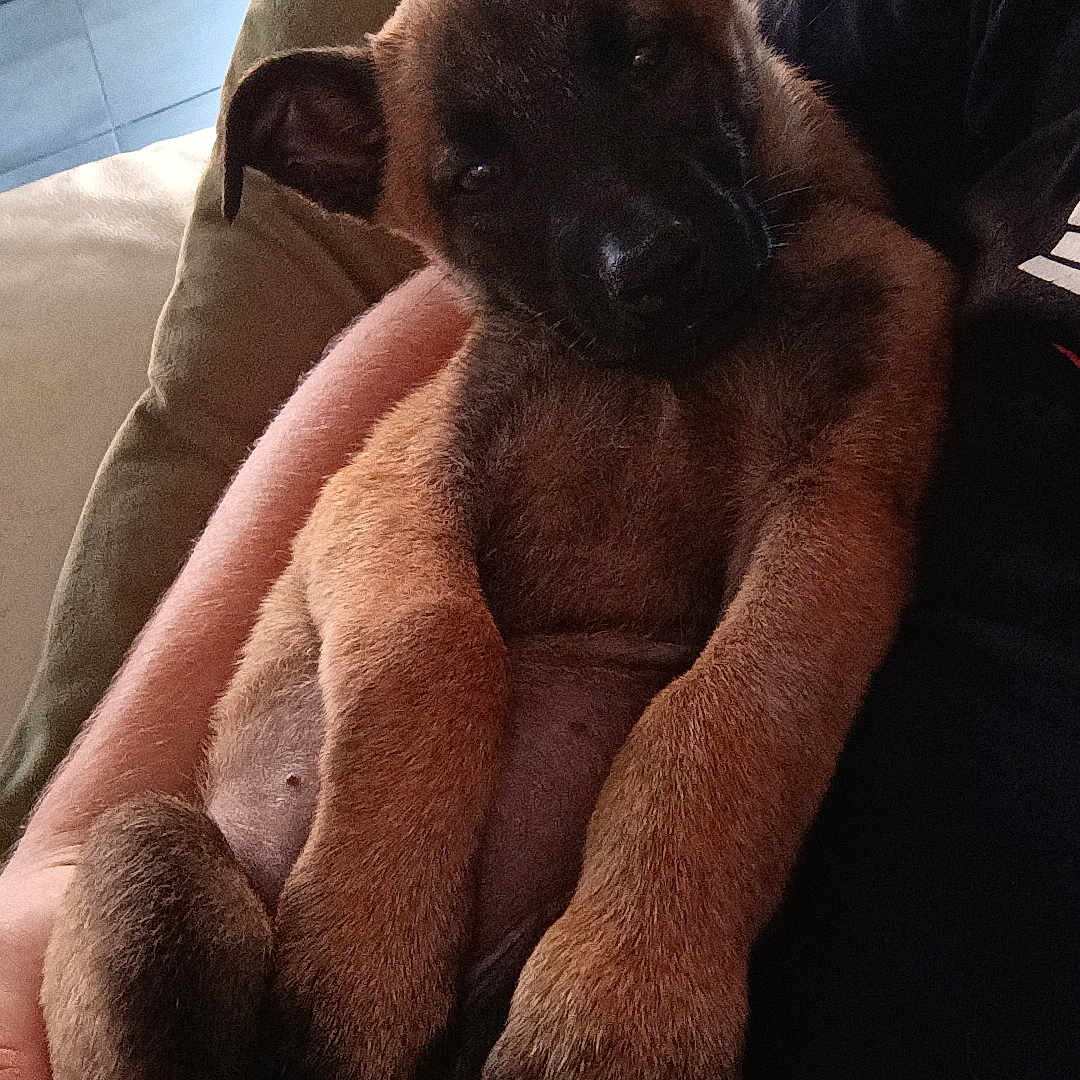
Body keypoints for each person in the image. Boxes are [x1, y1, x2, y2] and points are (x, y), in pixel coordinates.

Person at [1, 1, 1077, 1077]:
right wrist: (54, 848)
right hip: (245, 907)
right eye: (481, 179)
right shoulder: (514, 335)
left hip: (616, 955)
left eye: (646, 64)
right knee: (142, 876)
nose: (629, 244)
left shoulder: (865, 275)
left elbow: (831, 545)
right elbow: (377, 509)